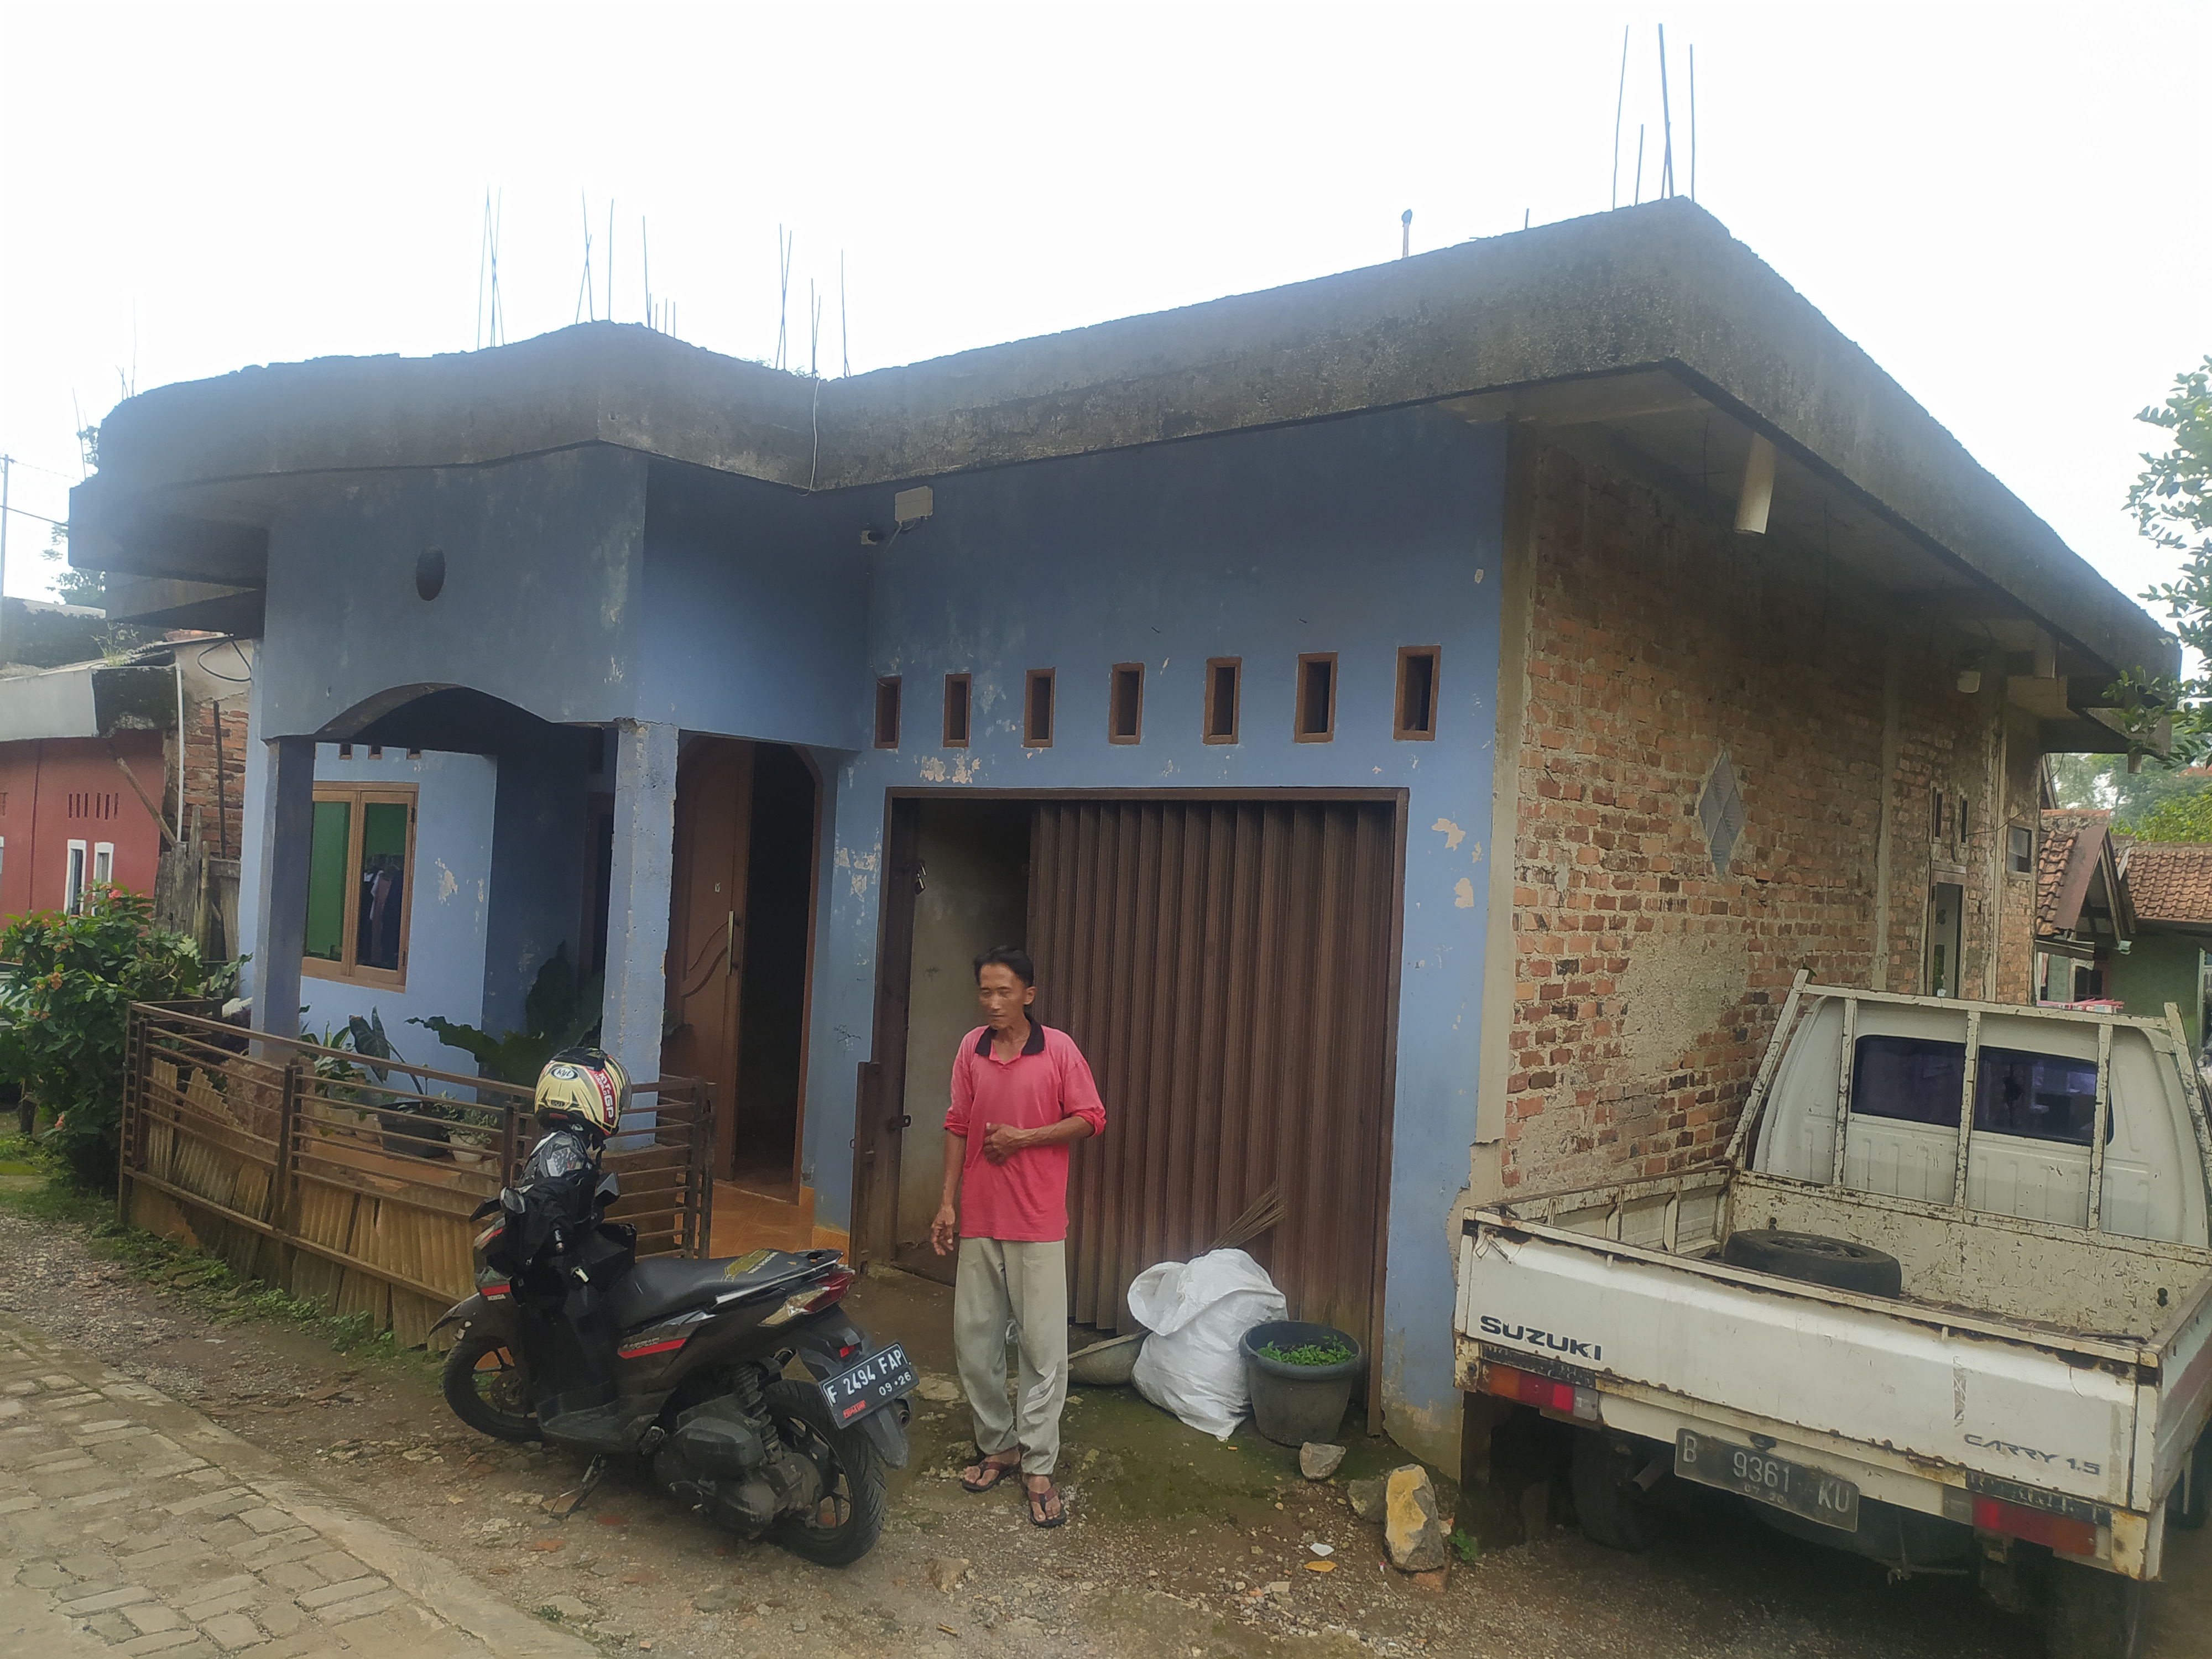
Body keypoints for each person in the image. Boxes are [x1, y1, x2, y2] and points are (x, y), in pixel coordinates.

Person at [931, 946, 1105, 1528]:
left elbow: (1091, 1117)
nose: (993, 1002)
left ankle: (1038, 1464)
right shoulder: (971, 1049)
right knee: (974, 1341)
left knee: (1042, 1348)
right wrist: (947, 1202)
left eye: (1004, 991)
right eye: (985, 991)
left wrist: (1024, 1139)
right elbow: (957, 1124)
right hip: (980, 1216)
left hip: (1036, 1220)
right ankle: (998, 1445)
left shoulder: (1058, 1049)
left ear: (1028, 995)